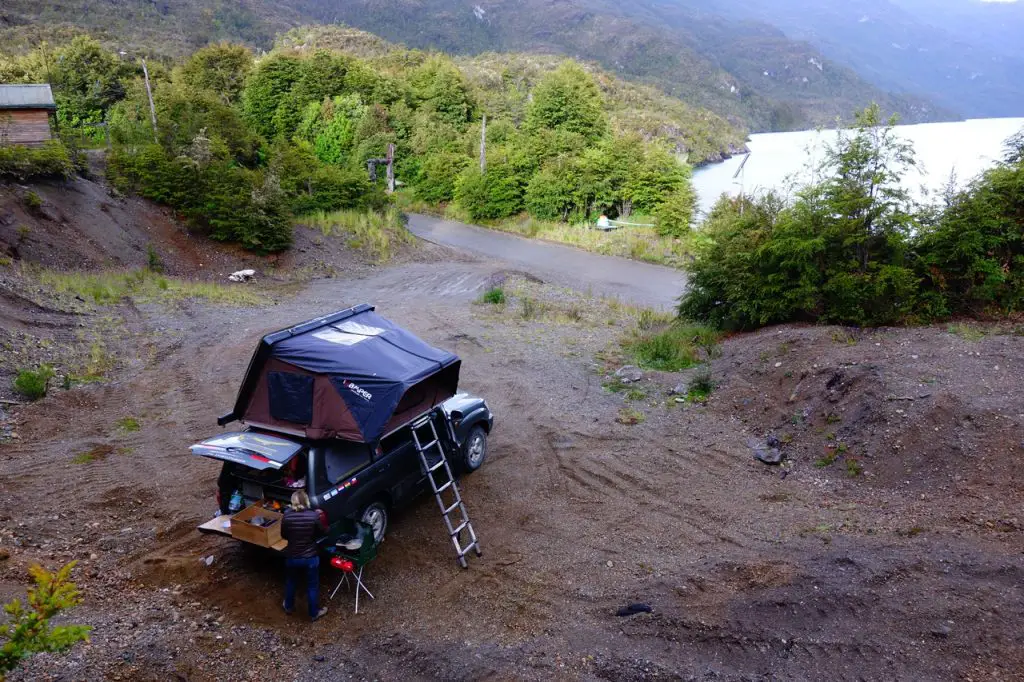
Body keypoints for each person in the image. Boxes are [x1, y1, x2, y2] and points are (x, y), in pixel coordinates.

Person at [281, 490, 329, 622]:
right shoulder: (313, 516)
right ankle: (314, 613)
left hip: (292, 557)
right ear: (306, 501)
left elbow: (283, 535)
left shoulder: (286, 516)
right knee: (312, 586)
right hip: (310, 558)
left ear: (293, 502)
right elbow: (322, 532)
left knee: (291, 581)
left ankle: (288, 606)